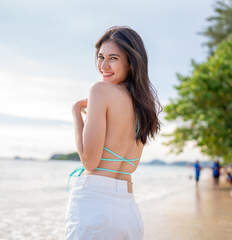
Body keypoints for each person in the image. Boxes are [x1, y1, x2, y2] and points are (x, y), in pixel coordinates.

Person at [65, 26, 161, 240]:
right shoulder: (143, 105)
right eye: (101, 57)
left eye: (113, 58)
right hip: (128, 211)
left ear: (131, 62)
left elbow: (89, 161)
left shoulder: (100, 90)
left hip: (96, 207)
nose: (103, 66)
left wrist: (76, 114)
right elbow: (131, 165)